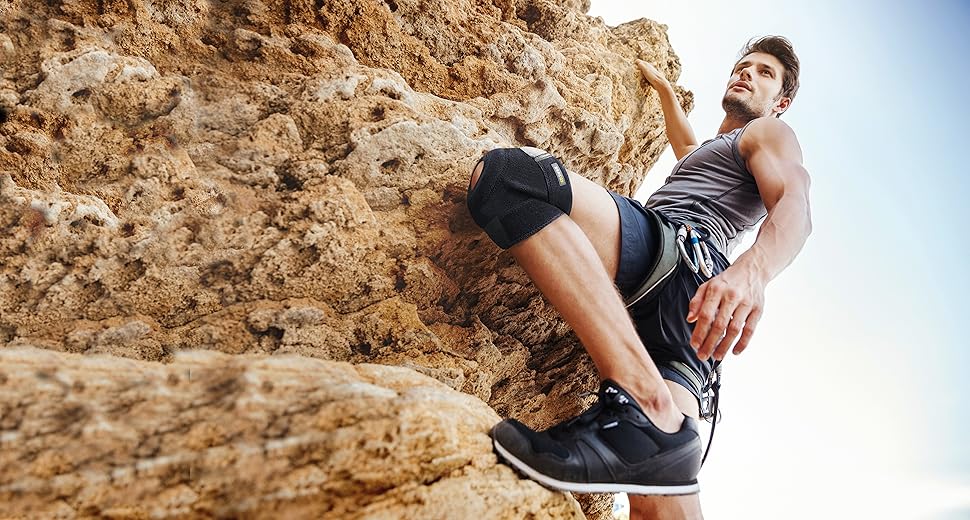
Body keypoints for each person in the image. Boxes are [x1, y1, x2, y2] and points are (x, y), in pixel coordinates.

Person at [465, 35, 812, 519]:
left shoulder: (769, 133)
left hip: (677, 258)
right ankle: (654, 418)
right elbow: (686, 145)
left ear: (781, 103)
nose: (747, 73)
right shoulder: (714, 152)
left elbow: (796, 203)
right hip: (692, 321)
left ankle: (643, 399)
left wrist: (753, 272)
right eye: (743, 65)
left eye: (764, 72)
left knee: (510, 176)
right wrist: (665, 91)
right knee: (660, 488)